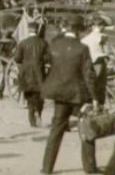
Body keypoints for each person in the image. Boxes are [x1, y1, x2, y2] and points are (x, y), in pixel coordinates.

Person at [40, 17, 98, 175]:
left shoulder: (54, 45)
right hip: (78, 95)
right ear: (79, 30)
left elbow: (47, 63)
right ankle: (90, 168)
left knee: (55, 132)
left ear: (66, 28)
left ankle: (47, 168)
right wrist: (94, 98)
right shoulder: (82, 48)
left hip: (60, 94)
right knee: (87, 130)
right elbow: (89, 75)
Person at [13, 19, 49, 127]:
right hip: (39, 74)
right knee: (39, 96)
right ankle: (39, 113)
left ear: (29, 30)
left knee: (29, 97)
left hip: (26, 74)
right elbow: (47, 58)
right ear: (37, 30)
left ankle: (32, 120)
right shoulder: (43, 43)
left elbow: (17, 59)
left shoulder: (23, 43)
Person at [82, 17, 108, 108]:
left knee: (91, 82)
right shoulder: (102, 36)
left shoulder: (85, 39)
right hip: (98, 60)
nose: (102, 27)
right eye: (101, 25)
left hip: (88, 61)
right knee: (100, 83)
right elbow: (105, 49)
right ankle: (98, 103)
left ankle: (90, 101)